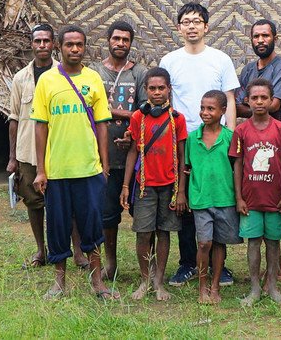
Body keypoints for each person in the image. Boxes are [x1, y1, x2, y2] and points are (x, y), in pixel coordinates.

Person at [31, 25, 118, 300]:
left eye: (79, 45)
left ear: (85, 47)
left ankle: (97, 283)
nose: (75, 49)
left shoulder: (93, 80)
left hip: (88, 168)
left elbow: (103, 124)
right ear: (60, 47)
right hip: (57, 170)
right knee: (57, 225)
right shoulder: (46, 81)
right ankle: (59, 282)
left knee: (92, 225)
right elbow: (40, 126)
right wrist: (41, 169)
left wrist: (104, 164)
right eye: (69, 45)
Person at [160, 2, 240, 287]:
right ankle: (187, 263)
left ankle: (222, 265)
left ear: (207, 27)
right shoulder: (169, 61)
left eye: (197, 21)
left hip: (217, 139)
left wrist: (230, 135)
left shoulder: (220, 59)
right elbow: (165, 100)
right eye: (186, 21)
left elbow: (229, 98)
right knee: (185, 200)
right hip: (183, 140)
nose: (191, 26)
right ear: (178, 28)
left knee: (218, 197)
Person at [120, 67, 186, 301]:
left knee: (164, 232)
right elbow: (132, 153)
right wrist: (126, 186)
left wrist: (181, 193)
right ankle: (144, 279)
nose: (157, 92)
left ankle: (159, 282)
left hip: (169, 186)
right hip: (145, 186)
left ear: (169, 90)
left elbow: (181, 155)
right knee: (143, 233)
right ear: (145, 90)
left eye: (161, 88)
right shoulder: (138, 117)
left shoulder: (177, 119)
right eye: (152, 88)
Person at [230, 77, 281, 306]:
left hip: (276, 199)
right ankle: (255, 288)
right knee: (253, 242)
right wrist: (238, 197)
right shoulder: (241, 130)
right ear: (247, 100)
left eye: (263, 97)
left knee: (274, 242)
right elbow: (237, 164)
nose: (259, 102)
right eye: (254, 98)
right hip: (250, 199)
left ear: (271, 100)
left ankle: (273, 287)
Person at [95, 19, 147, 282]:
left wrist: (130, 132)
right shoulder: (94, 73)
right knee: (107, 215)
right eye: (116, 38)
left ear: (131, 43)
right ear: (108, 40)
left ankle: (145, 268)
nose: (120, 44)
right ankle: (111, 263)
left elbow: (145, 110)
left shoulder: (139, 74)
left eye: (125, 40)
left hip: (133, 155)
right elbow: (92, 108)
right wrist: (128, 115)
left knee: (141, 213)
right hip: (103, 156)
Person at [7, 23, 57, 268]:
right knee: (34, 203)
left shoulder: (64, 74)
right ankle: (41, 250)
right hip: (27, 152)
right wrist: (12, 157)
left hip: (57, 150)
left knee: (62, 204)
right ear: (31, 44)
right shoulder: (20, 79)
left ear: (53, 44)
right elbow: (14, 118)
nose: (42, 45)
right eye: (38, 41)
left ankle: (74, 251)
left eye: (46, 41)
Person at [185, 89, 241, 305]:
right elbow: (187, 168)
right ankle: (202, 287)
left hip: (224, 198)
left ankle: (215, 285)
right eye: (202, 108)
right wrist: (183, 194)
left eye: (211, 108)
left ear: (223, 111)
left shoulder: (230, 137)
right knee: (204, 243)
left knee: (219, 244)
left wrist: (238, 197)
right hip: (200, 199)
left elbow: (237, 168)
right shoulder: (193, 138)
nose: (205, 113)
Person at [236, 18, 281, 133]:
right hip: (252, 137)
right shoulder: (247, 70)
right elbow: (237, 107)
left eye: (265, 35)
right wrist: (263, 108)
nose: (260, 40)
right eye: (256, 36)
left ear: (275, 39)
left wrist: (249, 105)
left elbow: (274, 106)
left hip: (279, 137)